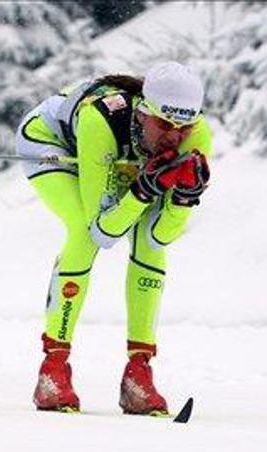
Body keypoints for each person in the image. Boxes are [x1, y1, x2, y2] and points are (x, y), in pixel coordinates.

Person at [15, 61, 212, 415]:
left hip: (119, 158)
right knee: (81, 232)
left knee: (150, 248)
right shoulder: (101, 120)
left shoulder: (197, 137)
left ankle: (140, 373)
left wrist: (183, 200)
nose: (174, 137)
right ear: (142, 113)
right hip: (53, 143)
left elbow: (159, 235)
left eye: (185, 127)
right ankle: (53, 369)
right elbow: (103, 231)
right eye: (165, 124)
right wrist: (143, 190)